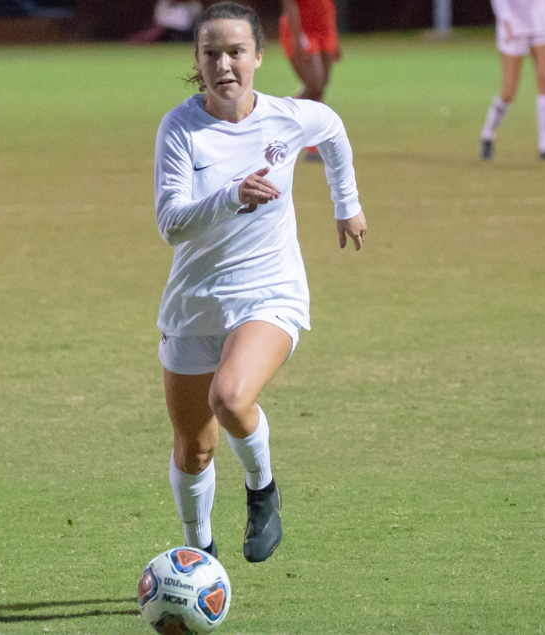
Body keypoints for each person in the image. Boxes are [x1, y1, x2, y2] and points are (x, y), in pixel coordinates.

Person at [153, 1, 366, 562]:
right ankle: (199, 551)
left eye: (236, 52)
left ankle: (262, 490)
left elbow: (335, 129)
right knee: (194, 448)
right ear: (197, 62)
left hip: (270, 294)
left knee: (230, 396)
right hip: (195, 302)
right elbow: (171, 223)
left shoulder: (287, 117)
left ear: (259, 57)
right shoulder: (180, 128)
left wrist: (347, 205)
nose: (224, 64)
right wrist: (231, 196)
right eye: (211, 54)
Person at [479, 0, 545, 161]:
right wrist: (505, 19)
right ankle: (488, 134)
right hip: (514, 23)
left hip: (541, 22)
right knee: (509, 92)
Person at [279, 0, 341, 162]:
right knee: (315, 84)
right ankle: (288, 117)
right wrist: (296, 37)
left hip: (324, 27)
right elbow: (290, 5)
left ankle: (314, 144)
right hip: (303, 29)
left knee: (320, 87)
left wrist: (334, 36)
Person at [128, 0, 204, 44]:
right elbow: (159, 19)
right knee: (154, 33)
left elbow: (195, 21)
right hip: (164, 31)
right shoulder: (164, 3)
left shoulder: (194, 5)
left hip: (185, 33)